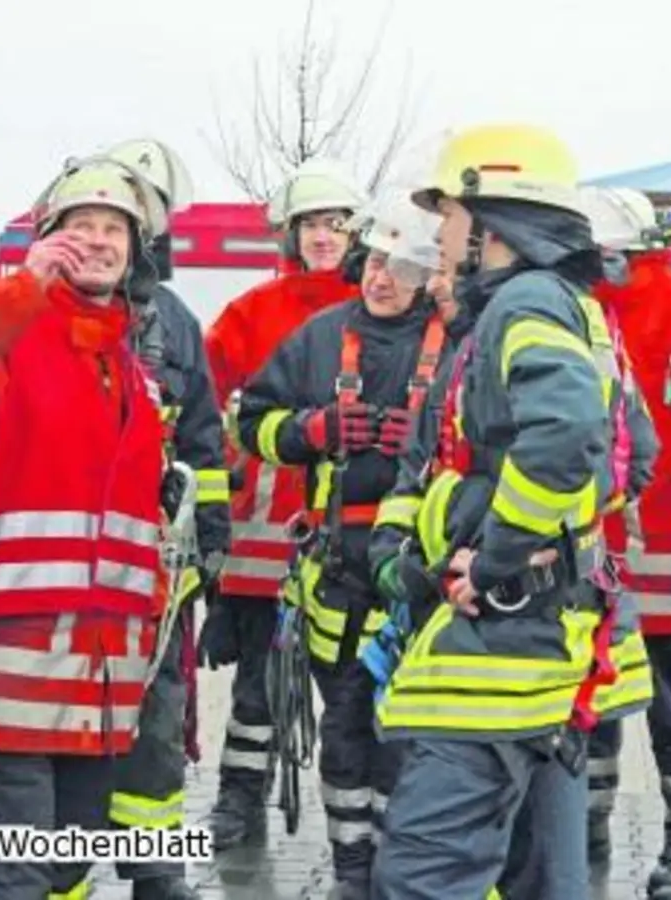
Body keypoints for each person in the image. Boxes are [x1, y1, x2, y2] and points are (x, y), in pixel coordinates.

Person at [362, 124, 654, 900]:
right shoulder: (580, 312)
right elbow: (634, 455)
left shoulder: (523, 303)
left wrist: (498, 561)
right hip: (552, 643)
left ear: (494, 221)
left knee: (423, 874)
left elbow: (565, 433)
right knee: (543, 877)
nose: (443, 234)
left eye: (452, 215)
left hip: (500, 646)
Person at [0, 154, 171, 900]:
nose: (97, 240)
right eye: (79, 225)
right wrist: (24, 282)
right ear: (49, 238)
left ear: (135, 250)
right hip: (4, 677)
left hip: (100, 683)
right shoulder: (10, 334)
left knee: (67, 874)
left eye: (113, 228)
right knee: (6, 878)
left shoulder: (126, 365)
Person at [234, 212, 447, 898]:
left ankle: (397, 868)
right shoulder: (322, 337)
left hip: (425, 572)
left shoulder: (459, 346)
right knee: (348, 726)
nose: (384, 278)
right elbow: (252, 423)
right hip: (339, 571)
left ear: (430, 278)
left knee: (412, 737)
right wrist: (309, 430)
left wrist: (423, 439)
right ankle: (353, 873)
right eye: (377, 262)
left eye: (405, 267)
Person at [199, 158, 367, 849]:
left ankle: (356, 827)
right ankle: (240, 800)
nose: (323, 237)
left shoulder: (378, 309)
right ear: (289, 234)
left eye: (335, 224)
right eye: (310, 225)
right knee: (257, 684)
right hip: (264, 536)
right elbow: (199, 395)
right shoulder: (254, 312)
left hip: (346, 534)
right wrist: (228, 466)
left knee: (350, 690)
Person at [101, 137, 232, 900]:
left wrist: (211, 546)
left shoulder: (175, 323)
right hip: (70, 569)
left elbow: (204, 441)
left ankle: (157, 869)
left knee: (158, 726)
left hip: (158, 571)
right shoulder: (44, 311)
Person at [577, 186, 671, 899]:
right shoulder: (580, 312)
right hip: (598, 550)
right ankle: (587, 828)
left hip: (666, 548)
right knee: (591, 693)